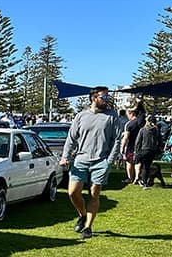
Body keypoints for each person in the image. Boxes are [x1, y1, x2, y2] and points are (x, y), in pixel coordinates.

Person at [59, 86, 119, 240]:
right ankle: (82, 214)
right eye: (104, 97)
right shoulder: (81, 116)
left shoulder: (112, 116)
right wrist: (65, 157)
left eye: (108, 97)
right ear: (94, 98)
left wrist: (109, 161)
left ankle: (88, 227)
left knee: (94, 193)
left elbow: (117, 140)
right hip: (81, 159)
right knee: (73, 192)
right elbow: (71, 138)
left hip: (101, 161)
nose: (107, 100)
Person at [133, 114, 161, 188]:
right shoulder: (156, 130)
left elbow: (138, 141)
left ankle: (142, 180)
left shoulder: (143, 130)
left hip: (144, 149)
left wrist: (136, 151)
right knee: (147, 166)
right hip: (152, 150)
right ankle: (145, 180)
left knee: (142, 165)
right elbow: (160, 141)